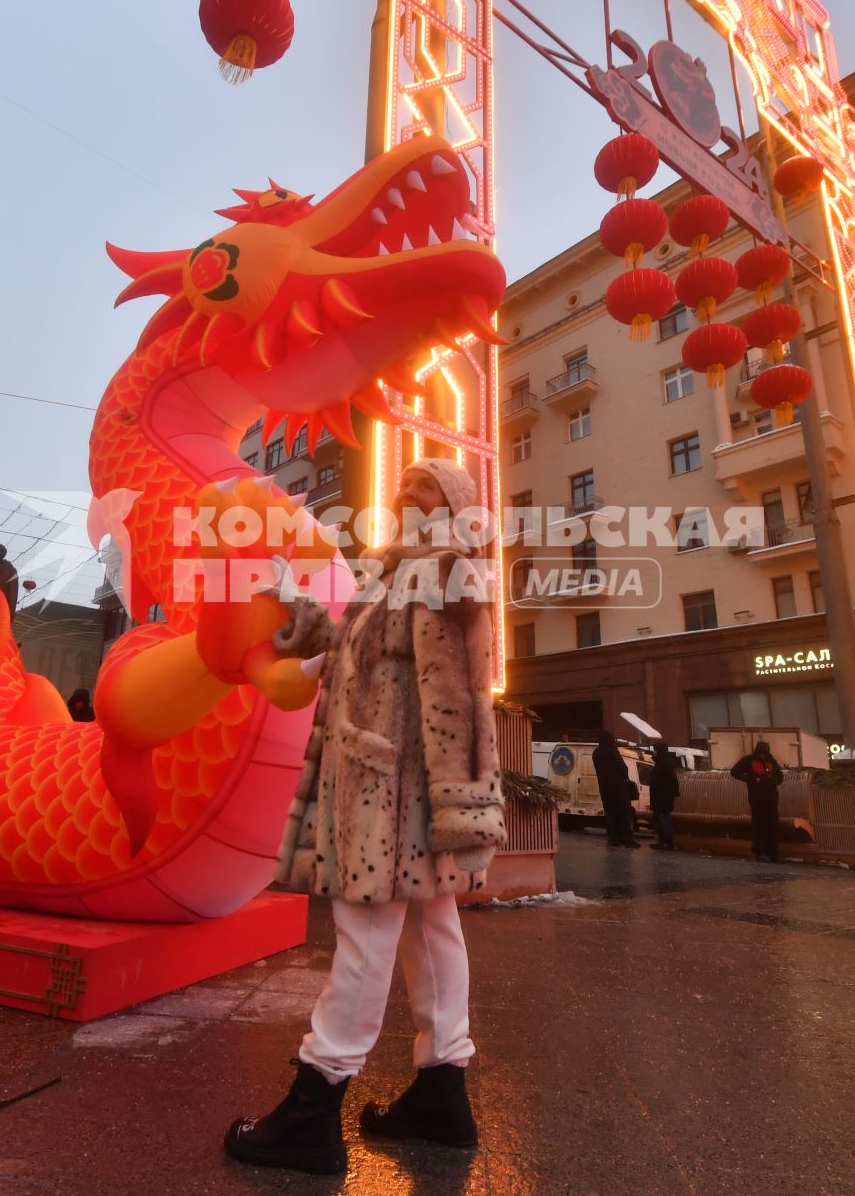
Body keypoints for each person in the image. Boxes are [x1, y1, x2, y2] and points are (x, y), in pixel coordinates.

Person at [226, 458, 505, 1176]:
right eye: (405, 482)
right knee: (430, 930)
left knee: (366, 938)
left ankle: (313, 1111)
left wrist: (464, 805)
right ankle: (443, 1094)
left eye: (427, 486)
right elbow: (360, 659)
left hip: (394, 798)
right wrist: (298, 608)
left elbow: (460, 699)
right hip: (399, 791)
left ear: (456, 506)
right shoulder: (396, 574)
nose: (406, 491)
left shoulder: (445, 570)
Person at [730, 741, 786, 862]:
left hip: (771, 798)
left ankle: (773, 852)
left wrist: (770, 782)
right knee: (760, 825)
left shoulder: (771, 761)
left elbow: (780, 776)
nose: (763, 755)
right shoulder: (749, 760)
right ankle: (761, 852)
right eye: (761, 753)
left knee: (773, 825)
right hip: (757, 798)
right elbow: (734, 771)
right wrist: (750, 780)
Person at [592, 731, 639, 849]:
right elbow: (623, 768)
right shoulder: (612, 751)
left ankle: (613, 839)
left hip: (604, 789)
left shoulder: (596, 753)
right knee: (624, 813)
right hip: (618, 789)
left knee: (610, 814)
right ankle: (627, 839)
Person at [648, 742, 681, 851]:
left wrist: (672, 793)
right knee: (660, 820)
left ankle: (667, 843)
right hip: (660, 798)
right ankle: (662, 842)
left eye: (655, 750)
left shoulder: (664, 764)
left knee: (664, 820)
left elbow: (672, 781)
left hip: (663, 799)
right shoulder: (662, 763)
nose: (654, 751)